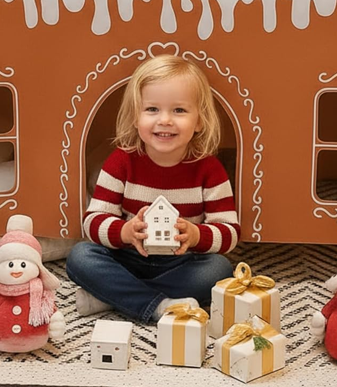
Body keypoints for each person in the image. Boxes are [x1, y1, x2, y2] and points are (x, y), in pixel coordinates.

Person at [66, 54, 239, 324]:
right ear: (136, 117)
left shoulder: (209, 169)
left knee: (219, 269)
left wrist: (195, 235)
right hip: (127, 257)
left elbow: (229, 232)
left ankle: (112, 296)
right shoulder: (121, 161)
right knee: (80, 256)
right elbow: (93, 222)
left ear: (200, 121)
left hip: (179, 264)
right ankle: (157, 305)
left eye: (179, 110)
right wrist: (124, 231)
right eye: (152, 110)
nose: (165, 120)